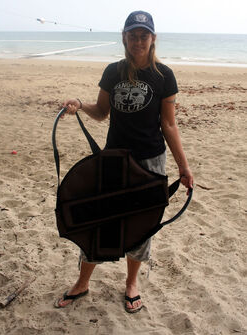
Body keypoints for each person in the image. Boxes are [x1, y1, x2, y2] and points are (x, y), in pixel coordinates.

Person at [54, 10, 193, 313]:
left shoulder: (164, 75)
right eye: (133, 35)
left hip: (150, 160)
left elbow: (169, 125)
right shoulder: (113, 71)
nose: (138, 40)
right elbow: (101, 111)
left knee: (142, 224)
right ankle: (83, 281)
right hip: (113, 157)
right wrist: (79, 104)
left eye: (144, 35)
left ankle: (131, 283)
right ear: (124, 37)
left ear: (152, 39)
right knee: (99, 217)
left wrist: (183, 167)